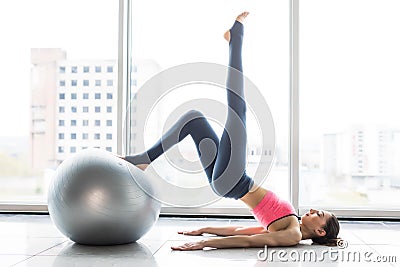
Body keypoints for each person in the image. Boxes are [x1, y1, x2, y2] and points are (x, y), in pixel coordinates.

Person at [123, 12, 341, 250]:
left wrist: (205, 244)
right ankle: (144, 160)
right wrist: (205, 229)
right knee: (194, 119)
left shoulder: (292, 234)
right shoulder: (291, 224)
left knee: (238, 107)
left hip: (233, 180)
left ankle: (236, 38)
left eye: (318, 213)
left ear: (320, 230)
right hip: (228, 180)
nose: (311, 210)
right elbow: (241, 230)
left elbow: (249, 241)